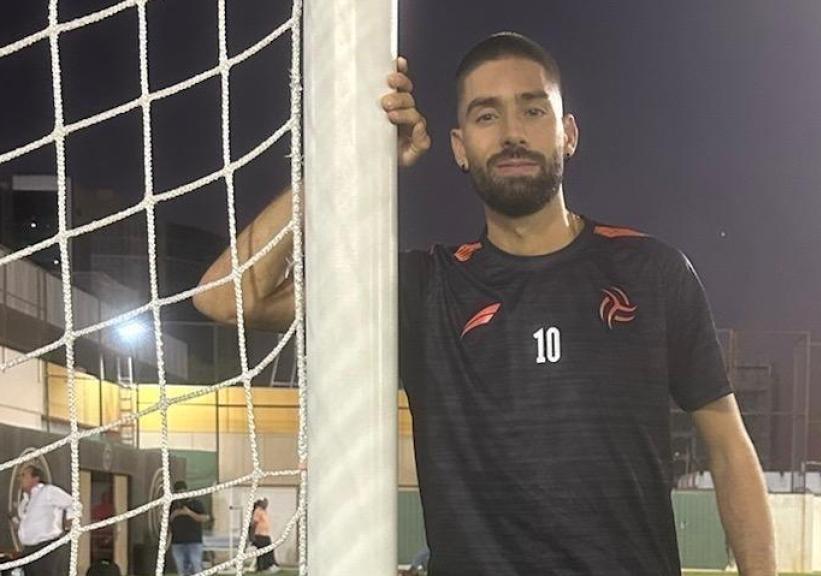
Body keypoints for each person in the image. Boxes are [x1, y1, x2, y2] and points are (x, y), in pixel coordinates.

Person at [195, 32, 776, 576]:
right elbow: (225, 297)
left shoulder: (652, 272)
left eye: (532, 109)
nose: (511, 132)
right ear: (459, 147)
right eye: (486, 114)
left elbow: (727, 446)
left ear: (567, 132)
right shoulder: (423, 290)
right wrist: (352, 161)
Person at [13, 464, 75, 576]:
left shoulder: (48, 491)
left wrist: (69, 520)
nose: (20, 479)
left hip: (46, 548)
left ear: (35, 478)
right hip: (28, 550)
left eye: (24, 475)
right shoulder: (24, 502)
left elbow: (73, 504)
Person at [168, 481, 209, 576]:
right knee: (181, 570)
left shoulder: (196, 503)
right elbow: (168, 521)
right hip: (177, 542)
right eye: (178, 492)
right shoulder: (173, 504)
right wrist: (175, 514)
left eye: (182, 492)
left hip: (194, 541)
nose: (180, 494)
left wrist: (189, 513)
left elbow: (205, 518)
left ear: (187, 491)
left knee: (196, 567)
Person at [249, 499, 279, 573]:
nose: (266, 504)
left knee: (267, 550)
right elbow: (254, 523)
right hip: (260, 534)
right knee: (263, 551)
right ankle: (263, 567)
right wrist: (252, 535)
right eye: (265, 503)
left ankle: (266, 566)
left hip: (265, 534)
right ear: (261, 504)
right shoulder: (258, 511)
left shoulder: (264, 511)